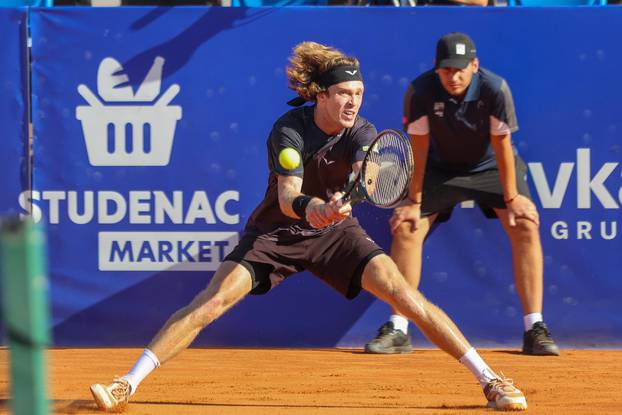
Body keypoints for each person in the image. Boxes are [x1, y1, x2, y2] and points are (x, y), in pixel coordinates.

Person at [90, 41, 527, 412]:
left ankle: (491, 381)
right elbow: (287, 196)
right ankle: (124, 385)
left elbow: (367, 169)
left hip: (336, 236)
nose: (353, 102)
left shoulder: (362, 130)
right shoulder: (289, 129)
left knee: (405, 296)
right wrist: (314, 206)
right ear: (320, 95)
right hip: (275, 234)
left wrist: (343, 201)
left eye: (358, 92)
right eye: (343, 93)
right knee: (212, 302)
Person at [364, 32, 559, 357]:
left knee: (524, 223)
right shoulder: (421, 91)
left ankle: (534, 328)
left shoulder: (494, 89)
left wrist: (512, 199)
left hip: (491, 167)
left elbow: (502, 146)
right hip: (439, 169)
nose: (453, 76)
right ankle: (399, 328)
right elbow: (419, 149)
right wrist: (413, 202)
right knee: (408, 228)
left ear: (474, 65)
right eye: (446, 70)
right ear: (436, 69)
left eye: (460, 69)